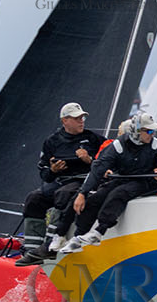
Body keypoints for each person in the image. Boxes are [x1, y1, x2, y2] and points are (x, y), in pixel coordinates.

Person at [58, 114, 157, 253]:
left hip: (147, 181)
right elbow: (98, 169)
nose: (153, 134)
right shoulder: (119, 144)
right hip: (124, 179)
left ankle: (99, 231)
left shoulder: (155, 144)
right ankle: (77, 238)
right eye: (150, 131)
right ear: (137, 131)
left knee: (118, 193)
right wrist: (83, 193)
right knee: (96, 198)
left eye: (154, 131)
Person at [15, 103, 104, 266]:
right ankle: (31, 252)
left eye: (82, 117)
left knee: (62, 195)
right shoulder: (52, 141)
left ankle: (48, 247)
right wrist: (53, 170)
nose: (81, 121)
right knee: (34, 199)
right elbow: (44, 173)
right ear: (65, 120)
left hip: (83, 181)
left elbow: (108, 162)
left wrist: (89, 160)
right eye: (77, 118)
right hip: (60, 180)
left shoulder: (93, 139)